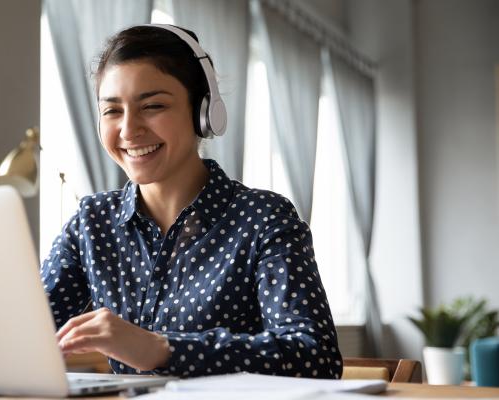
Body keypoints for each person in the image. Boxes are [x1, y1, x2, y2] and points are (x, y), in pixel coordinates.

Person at [40, 24, 342, 379]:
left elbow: (315, 356)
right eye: (112, 111)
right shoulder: (92, 222)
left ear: (204, 112)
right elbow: (26, 334)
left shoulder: (264, 219)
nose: (128, 129)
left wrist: (162, 348)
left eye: (152, 105)